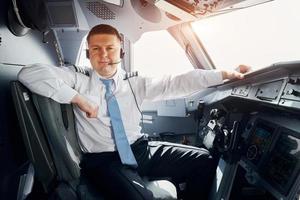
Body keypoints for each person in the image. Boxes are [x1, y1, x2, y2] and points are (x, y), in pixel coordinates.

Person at [18, 24, 250, 200]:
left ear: (121, 53)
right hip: (104, 160)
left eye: (110, 48)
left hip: (139, 150)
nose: (104, 55)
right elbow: (29, 74)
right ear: (89, 54)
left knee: (204, 160)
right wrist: (78, 99)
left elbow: (177, 82)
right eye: (96, 49)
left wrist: (223, 74)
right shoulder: (78, 79)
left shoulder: (135, 83)